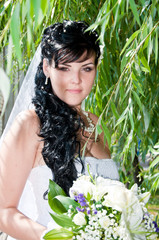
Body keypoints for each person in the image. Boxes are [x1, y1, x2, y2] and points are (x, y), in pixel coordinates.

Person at [0, 20, 119, 240]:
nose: (76, 80)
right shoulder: (29, 124)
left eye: (86, 68)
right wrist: (60, 236)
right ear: (46, 67)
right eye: (64, 68)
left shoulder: (96, 123)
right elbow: (4, 212)